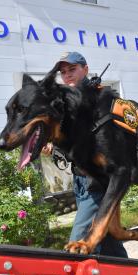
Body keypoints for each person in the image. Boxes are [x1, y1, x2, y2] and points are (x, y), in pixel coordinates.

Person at [42, 52, 128, 259]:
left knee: (78, 245)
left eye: (72, 69)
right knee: (108, 242)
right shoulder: (69, 101)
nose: (67, 75)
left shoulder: (101, 98)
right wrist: (54, 146)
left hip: (98, 183)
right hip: (81, 180)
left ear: (86, 69)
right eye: (63, 72)